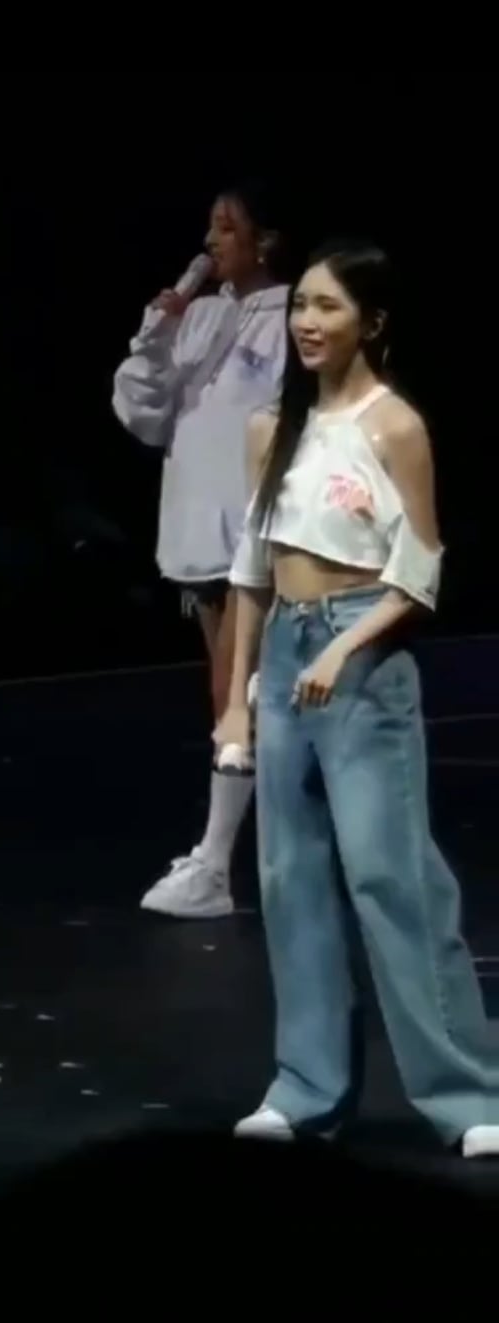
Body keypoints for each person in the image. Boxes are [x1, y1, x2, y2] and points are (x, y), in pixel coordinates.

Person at [221, 239, 497, 1157]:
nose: (307, 321)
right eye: (300, 304)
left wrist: (344, 646)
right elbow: (251, 571)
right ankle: (306, 1089)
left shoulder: (394, 425)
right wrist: (235, 700)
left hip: (363, 652)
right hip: (286, 654)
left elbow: (420, 572)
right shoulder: (271, 429)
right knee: (290, 877)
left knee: (391, 874)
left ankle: (468, 1093)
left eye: (327, 306)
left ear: (371, 323)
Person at [113, 182, 290, 918]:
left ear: (265, 240)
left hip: (253, 533)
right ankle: (263, 856)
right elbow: (146, 419)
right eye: (210, 229)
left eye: (228, 228)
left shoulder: (290, 317)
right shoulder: (202, 315)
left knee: (236, 697)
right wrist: (156, 337)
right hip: (198, 534)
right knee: (237, 703)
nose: (212, 242)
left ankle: (216, 865)